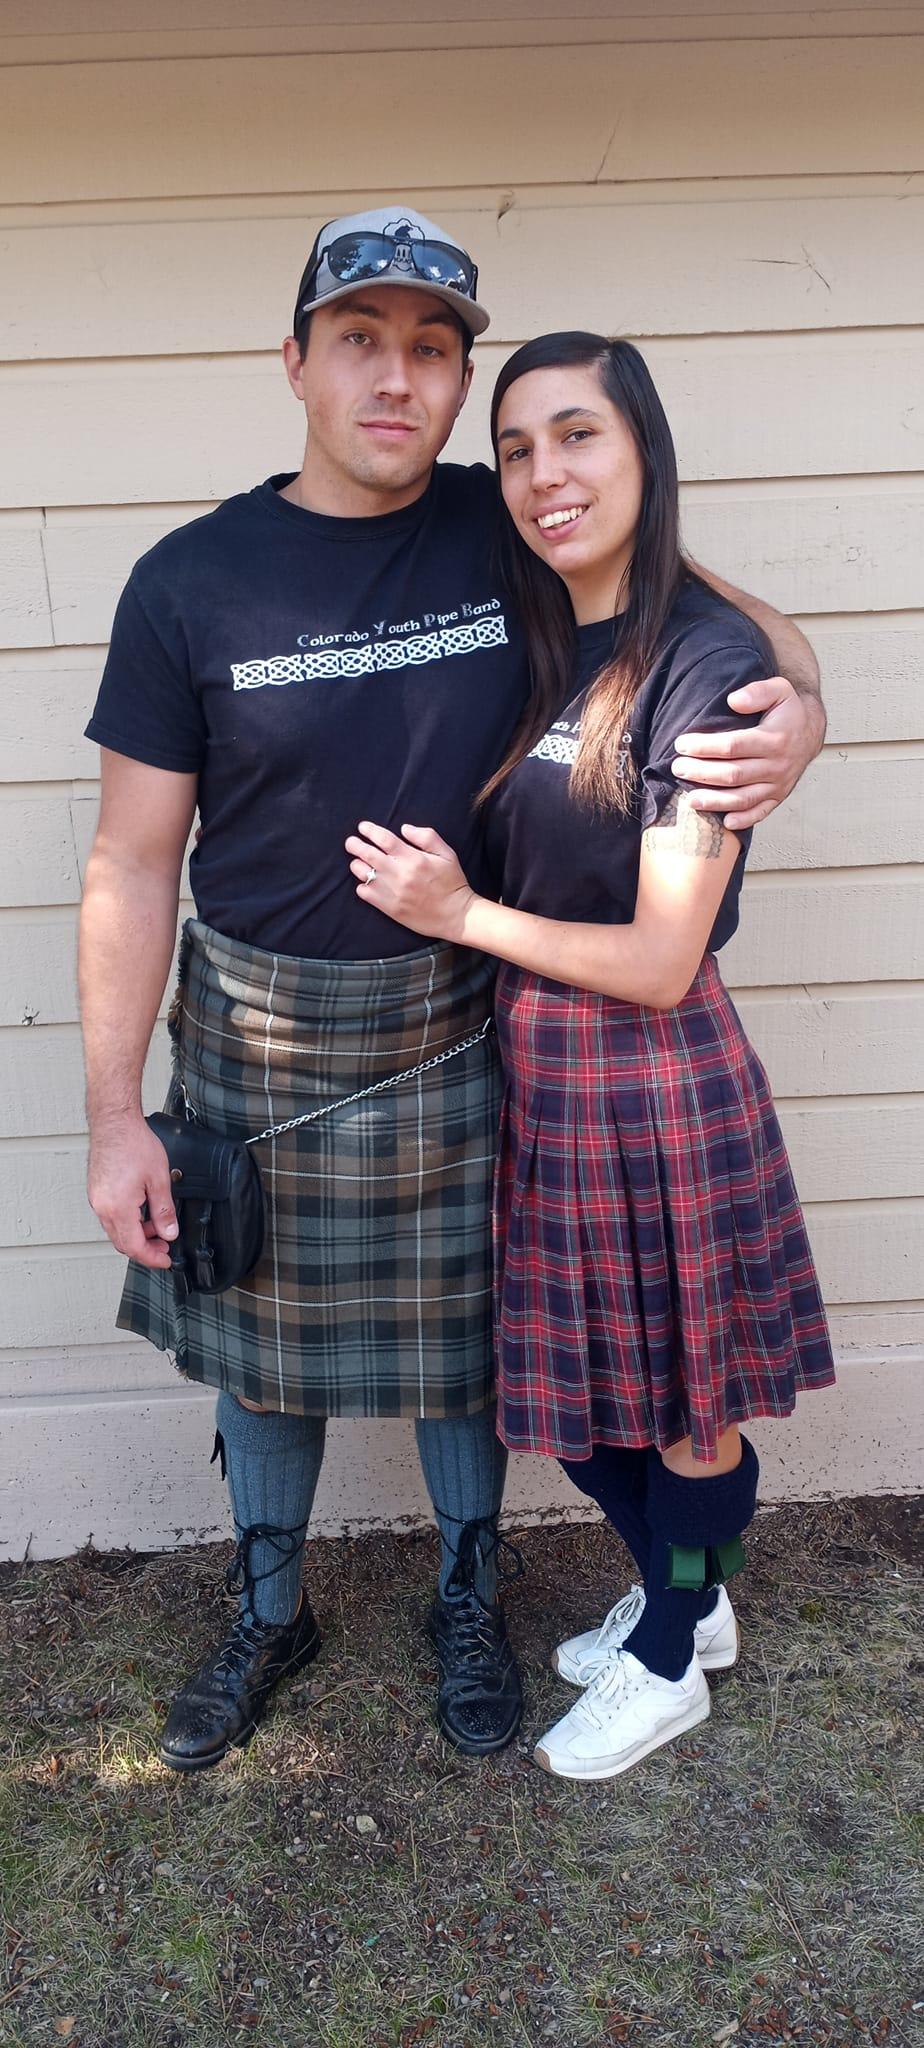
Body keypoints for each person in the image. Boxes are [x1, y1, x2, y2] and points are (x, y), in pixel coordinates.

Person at [79, 211, 823, 1777]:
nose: (397, 376)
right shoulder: (187, 581)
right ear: (296, 364)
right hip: (264, 1033)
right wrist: (109, 1117)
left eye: (432, 347)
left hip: (469, 1019)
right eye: (361, 340)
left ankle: (482, 1595)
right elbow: (133, 865)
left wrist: (799, 711)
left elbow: (710, 617)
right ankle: (271, 1601)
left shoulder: (512, 518)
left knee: (470, 1356)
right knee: (257, 1344)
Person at [345, 330, 836, 1782]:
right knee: (576, 1398)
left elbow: (662, 957)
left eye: (580, 436)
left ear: (644, 451)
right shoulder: (565, 624)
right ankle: (694, 1600)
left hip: (656, 1067)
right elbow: (775, 642)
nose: (545, 474)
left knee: (687, 1405)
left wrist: (460, 912)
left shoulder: (701, 660)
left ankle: (673, 1655)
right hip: (552, 1072)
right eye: (517, 449)